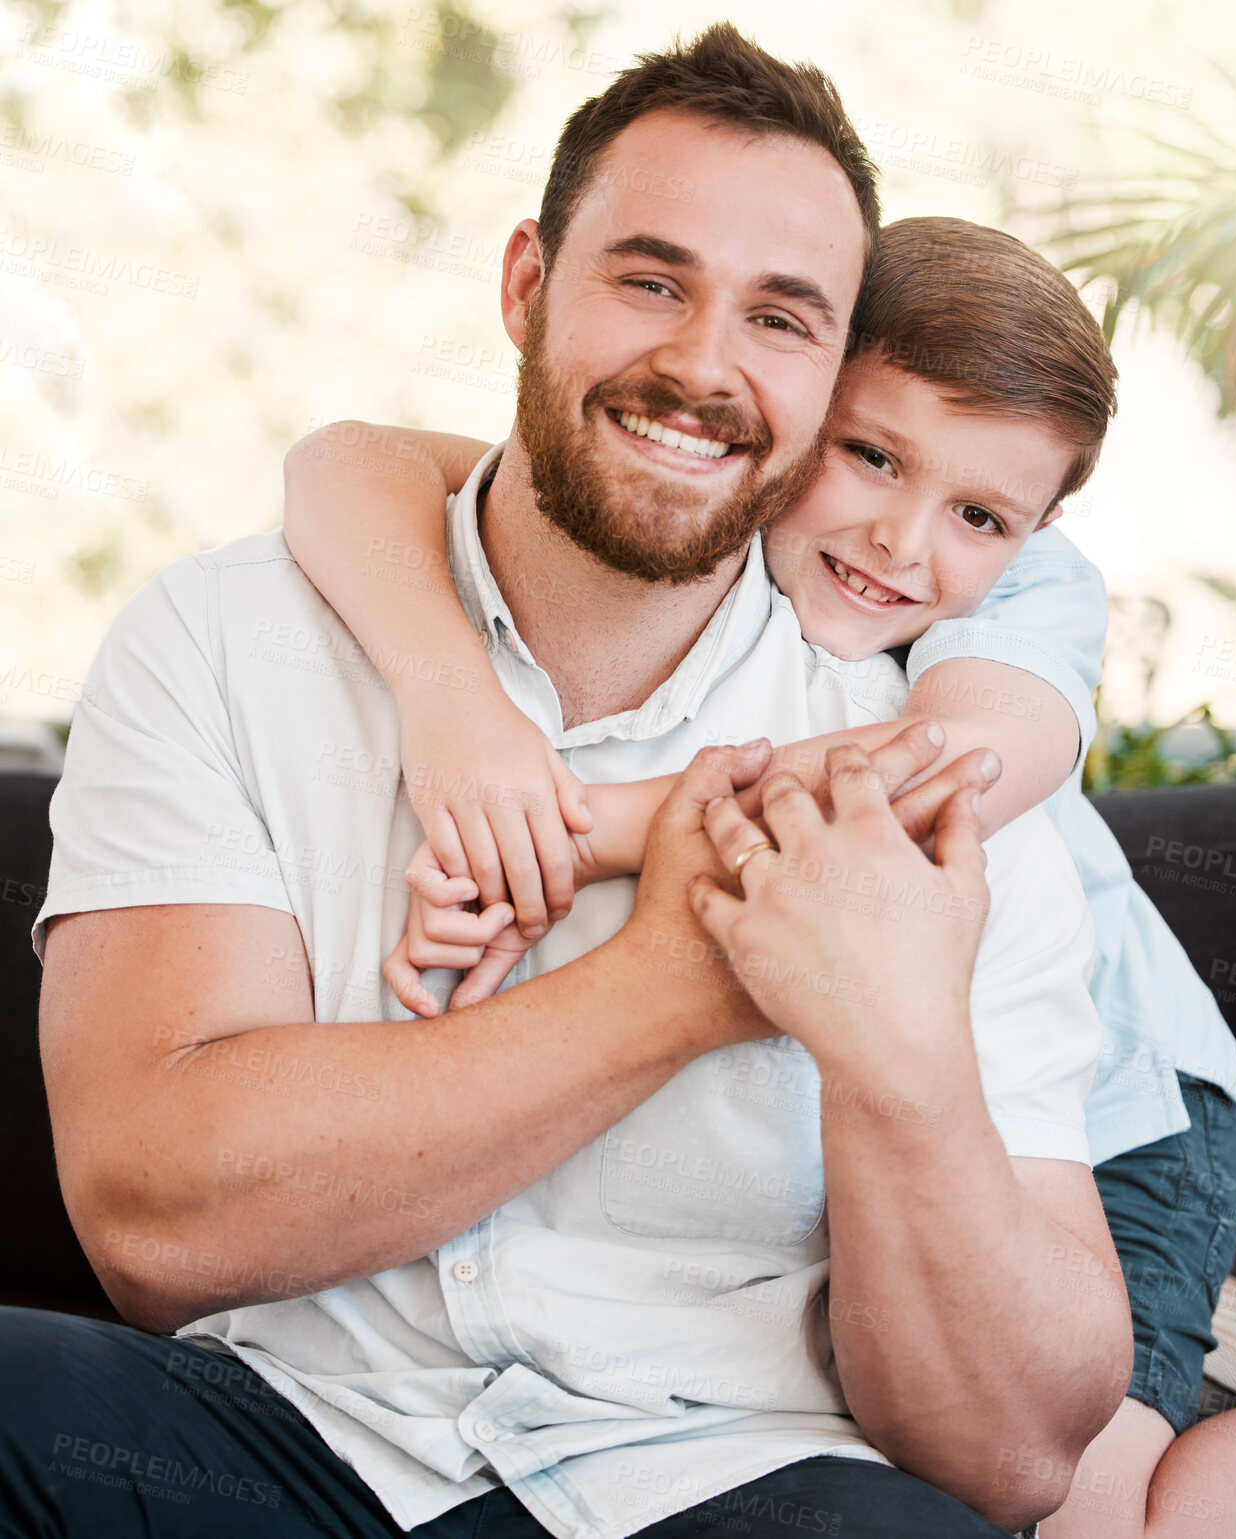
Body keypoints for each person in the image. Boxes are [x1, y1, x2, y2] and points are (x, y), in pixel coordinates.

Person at [9, 26, 1128, 1539]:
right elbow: (154, 1217)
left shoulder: (923, 779)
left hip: (733, 1476)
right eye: (651, 281)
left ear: (830, 375)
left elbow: (1016, 1457)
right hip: (281, 1440)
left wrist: (893, 1048)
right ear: (528, 283)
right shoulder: (228, 640)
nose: (703, 365)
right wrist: (681, 979)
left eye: (782, 320)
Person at [285, 215, 1236, 1539]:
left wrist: (558, 827)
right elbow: (343, 462)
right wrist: (450, 700)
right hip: (917, 1096)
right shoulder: (700, 499)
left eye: (977, 516)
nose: (903, 544)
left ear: (1033, 529)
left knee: (1082, 1516)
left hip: (1122, 1106)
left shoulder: (1028, 586)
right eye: (867, 454)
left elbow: (945, 769)